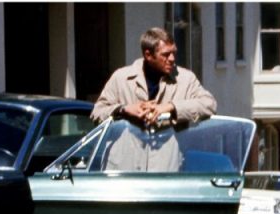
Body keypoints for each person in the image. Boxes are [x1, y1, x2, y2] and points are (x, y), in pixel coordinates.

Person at [91, 27, 217, 172]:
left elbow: (209, 104)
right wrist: (124, 110)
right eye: (166, 54)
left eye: (174, 53)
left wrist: (171, 107)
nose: (172, 59)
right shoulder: (122, 78)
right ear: (148, 55)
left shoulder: (185, 79)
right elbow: (97, 112)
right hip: (124, 171)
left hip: (164, 172)